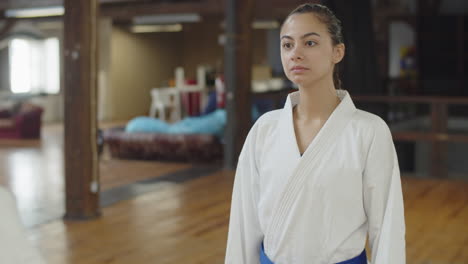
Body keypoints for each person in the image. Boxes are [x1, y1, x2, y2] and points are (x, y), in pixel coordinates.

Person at [225, 3, 405, 264]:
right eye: (287, 45)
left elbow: (387, 228)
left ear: (337, 52)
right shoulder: (264, 130)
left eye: (309, 43)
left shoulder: (369, 131)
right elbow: (244, 225)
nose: (295, 53)